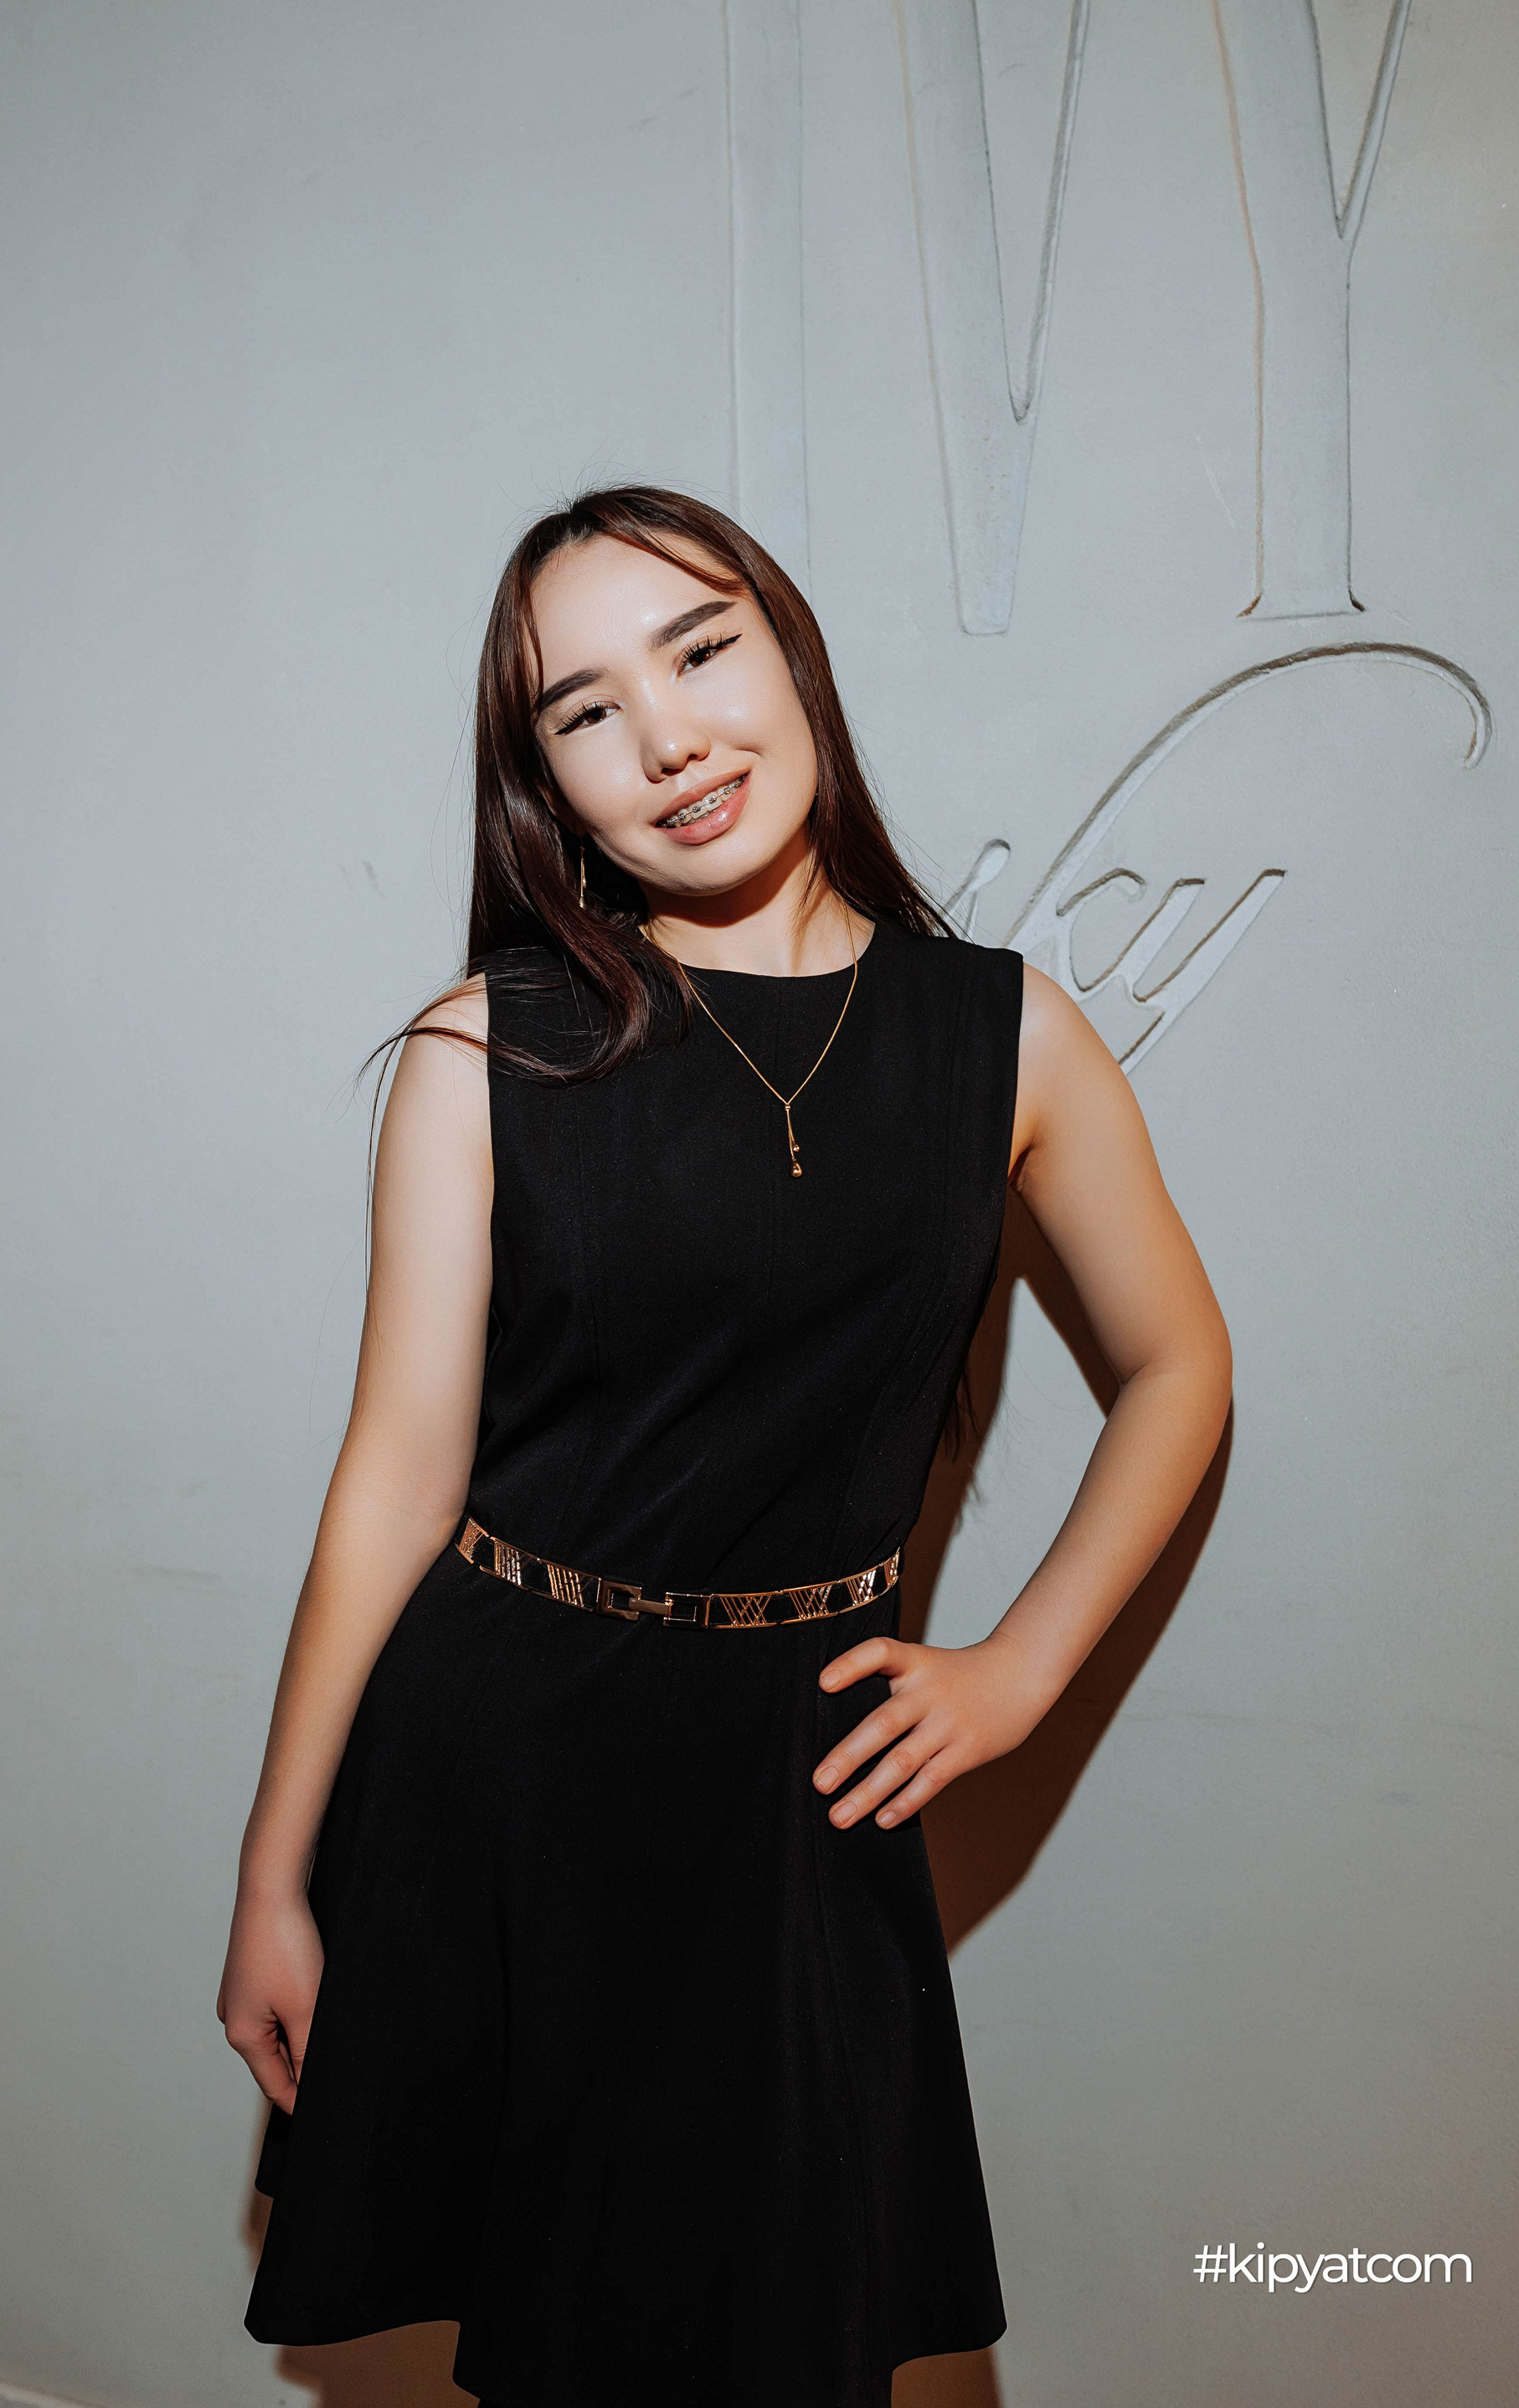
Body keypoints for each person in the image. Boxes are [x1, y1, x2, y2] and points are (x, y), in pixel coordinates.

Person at [219, 485, 1232, 2407]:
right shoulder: (483, 1050)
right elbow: (394, 1487)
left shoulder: (1006, 1036)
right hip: (497, 1781)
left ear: (793, 654)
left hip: (794, 1796)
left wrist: (1021, 1668)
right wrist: (276, 1874)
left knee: (791, 2336)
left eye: (699, 651)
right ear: (548, 786)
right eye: (587, 711)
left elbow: (1182, 1364)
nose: (668, 737)